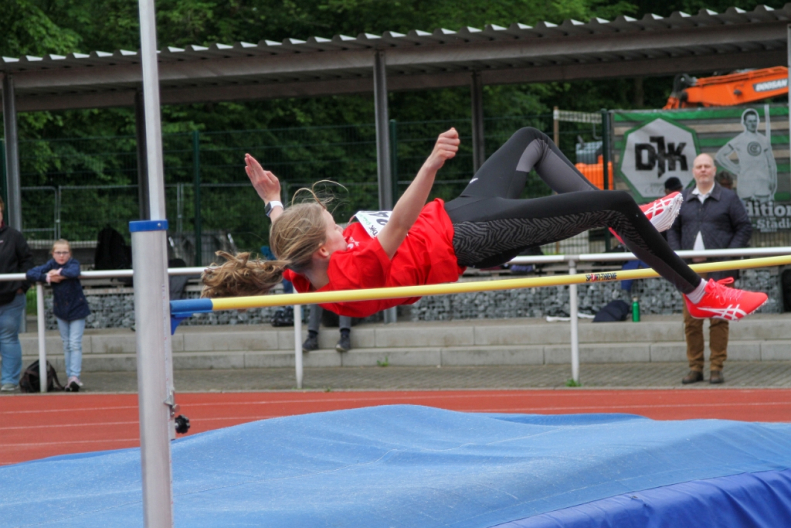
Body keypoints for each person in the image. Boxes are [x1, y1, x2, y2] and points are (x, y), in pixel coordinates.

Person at [201, 127, 766, 329]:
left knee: (528, 141)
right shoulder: (349, 274)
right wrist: (430, 163)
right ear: (328, 246)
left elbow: (287, 244)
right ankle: (698, 293)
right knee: (614, 202)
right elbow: (397, 224)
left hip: (462, 213)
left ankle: (627, 224)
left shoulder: (304, 264)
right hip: (467, 238)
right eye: (334, 222)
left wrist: (272, 202)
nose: (339, 222)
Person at [668, 153, 753, 385]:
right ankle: (695, 368)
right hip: (690, 272)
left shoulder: (729, 198)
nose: (703, 170)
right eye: (699, 167)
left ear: (714, 170)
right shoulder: (682, 199)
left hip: (720, 270)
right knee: (691, 321)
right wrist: (678, 257)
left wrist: (728, 256)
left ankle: (717, 367)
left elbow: (744, 227)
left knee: (719, 320)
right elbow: (672, 229)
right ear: (693, 171)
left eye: (707, 166)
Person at [26, 239, 91, 392]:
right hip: (61, 311)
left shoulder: (73, 263)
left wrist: (59, 273)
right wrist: (47, 277)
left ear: (70, 254)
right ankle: (70, 378)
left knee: (75, 343)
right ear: (53, 254)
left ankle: (74, 376)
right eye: (58, 252)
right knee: (66, 343)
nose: (61, 256)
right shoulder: (51, 265)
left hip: (77, 309)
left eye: (65, 252)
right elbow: (31, 273)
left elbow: (74, 272)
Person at [0, 196, 34, 392]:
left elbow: (27, 262)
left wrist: (22, 285)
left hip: (11, 298)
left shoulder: (14, 236)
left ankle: (9, 381)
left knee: (7, 337)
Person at [715, 108, 777, 203]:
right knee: (744, 213)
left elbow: (771, 163)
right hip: (745, 184)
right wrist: (735, 168)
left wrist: (773, 181)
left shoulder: (764, 140)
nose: (753, 124)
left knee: (764, 213)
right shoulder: (739, 139)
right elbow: (720, 155)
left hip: (762, 184)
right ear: (745, 122)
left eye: (755, 121)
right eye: (750, 121)